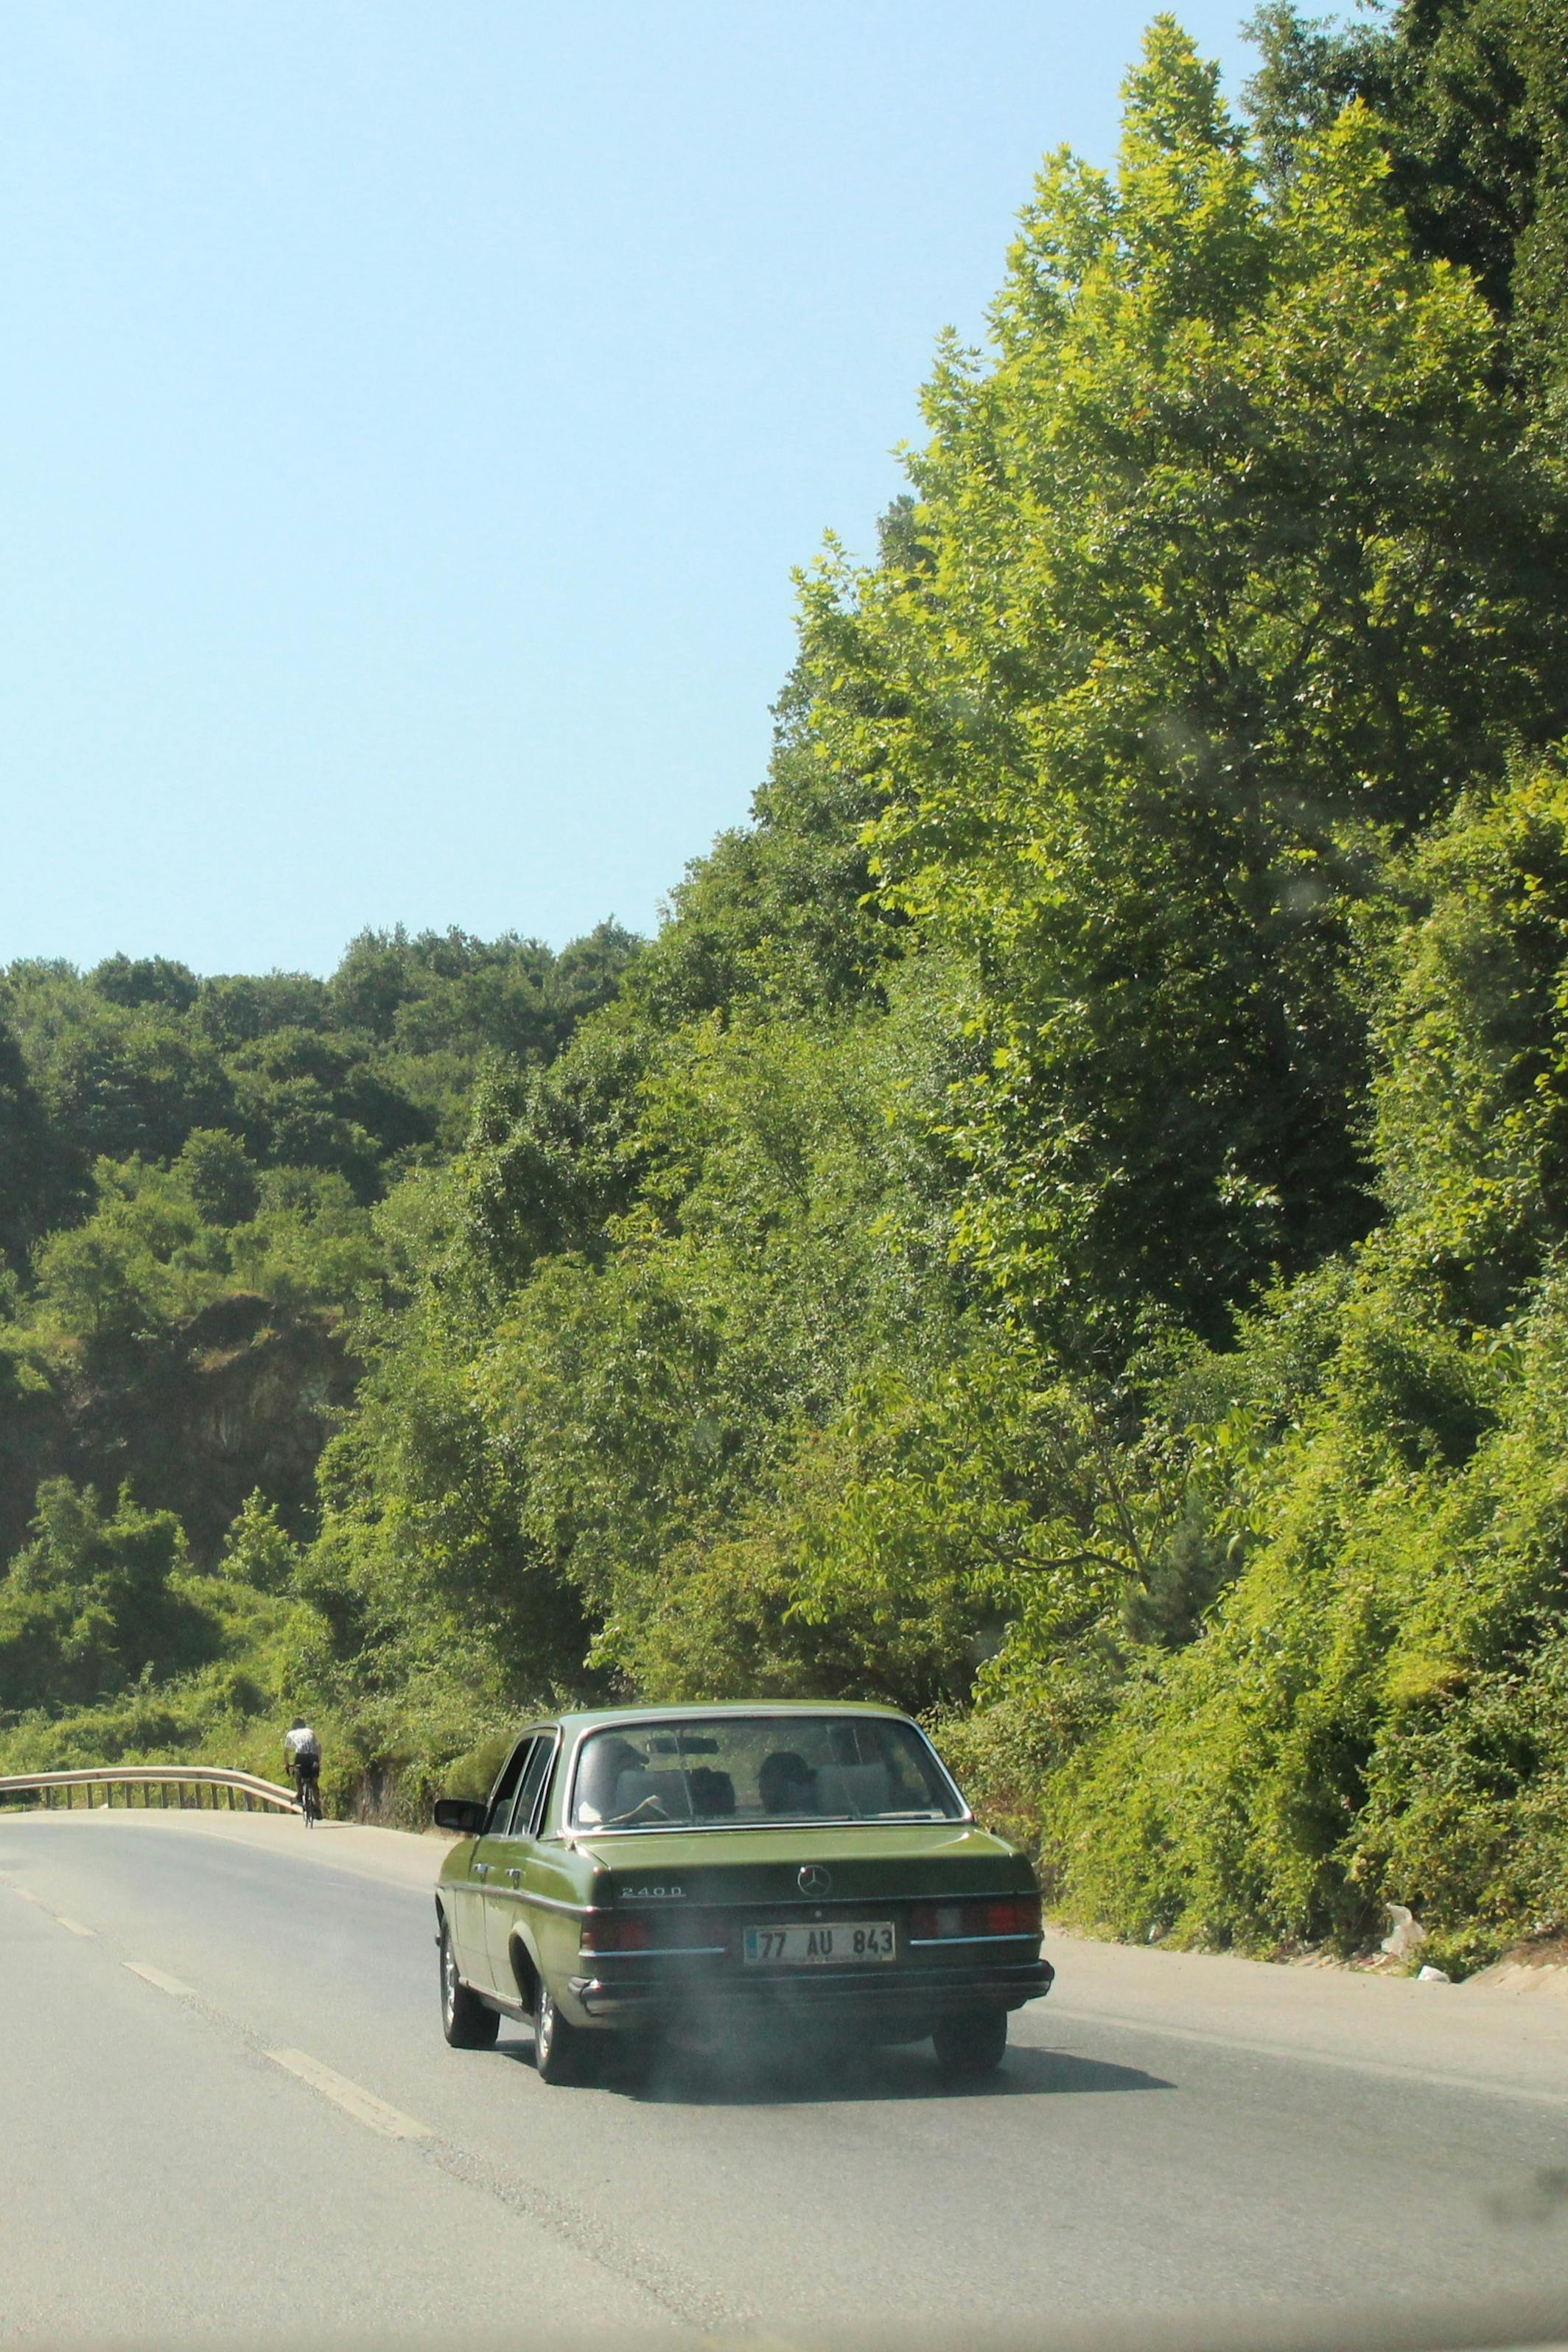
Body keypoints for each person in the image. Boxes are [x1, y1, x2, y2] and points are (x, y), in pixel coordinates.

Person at [284, 1717, 321, 1809]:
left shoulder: (291, 1734)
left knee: (297, 1772)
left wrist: (287, 1765)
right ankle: (318, 1807)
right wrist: (319, 1761)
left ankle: (300, 1794)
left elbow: (286, 1752)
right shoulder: (310, 1731)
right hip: (313, 1756)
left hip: (301, 1756)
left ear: (293, 1726)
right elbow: (319, 1747)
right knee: (314, 1783)